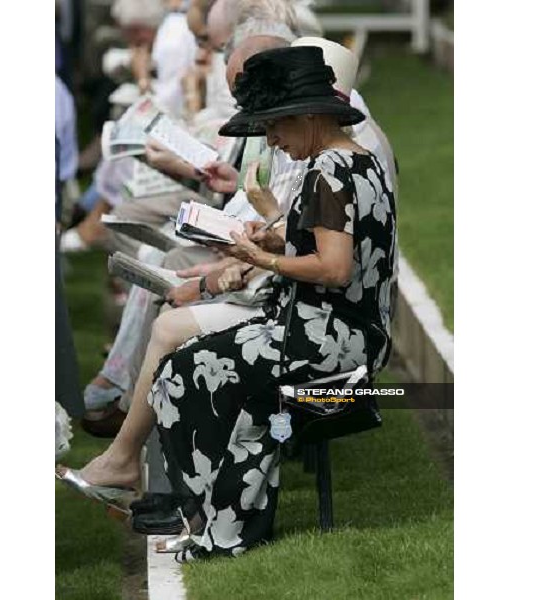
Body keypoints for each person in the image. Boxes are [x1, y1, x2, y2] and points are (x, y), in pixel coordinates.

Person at [58, 45, 397, 560]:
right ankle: (211, 518)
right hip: (331, 331)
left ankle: (214, 524)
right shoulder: (356, 158)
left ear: (307, 115)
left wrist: (257, 257)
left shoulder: (331, 169)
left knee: (185, 374)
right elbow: (333, 243)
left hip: (330, 342)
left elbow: (334, 267)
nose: (272, 141)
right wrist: (274, 240)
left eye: (275, 127)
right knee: (183, 368)